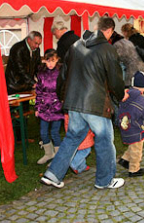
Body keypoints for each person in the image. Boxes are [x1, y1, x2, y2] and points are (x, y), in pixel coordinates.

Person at [40, 17, 126, 190]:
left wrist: (62, 96)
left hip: (74, 102)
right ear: (109, 31)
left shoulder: (76, 45)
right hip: (94, 103)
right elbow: (115, 78)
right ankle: (104, 180)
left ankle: (53, 174)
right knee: (105, 139)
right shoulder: (107, 49)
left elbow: (63, 74)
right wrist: (121, 94)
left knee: (72, 137)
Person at [116, 71, 144, 178]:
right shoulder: (141, 99)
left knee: (133, 146)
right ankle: (134, 169)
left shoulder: (126, 95)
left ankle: (125, 160)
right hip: (137, 129)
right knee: (137, 150)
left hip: (126, 127)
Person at [34, 50, 64, 165]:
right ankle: (48, 153)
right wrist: (37, 107)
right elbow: (39, 91)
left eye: (53, 61)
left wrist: (62, 103)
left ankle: (58, 157)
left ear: (57, 60)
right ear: (44, 61)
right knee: (43, 132)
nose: (50, 63)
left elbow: (63, 90)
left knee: (55, 133)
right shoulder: (41, 74)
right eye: (48, 61)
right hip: (44, 107)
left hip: (57, 107)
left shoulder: (61, 73)